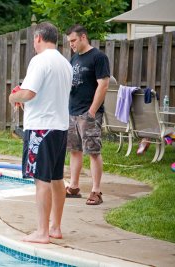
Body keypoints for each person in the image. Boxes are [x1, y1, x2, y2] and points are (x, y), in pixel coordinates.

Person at [9, 22, 73, 244]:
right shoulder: (65, 63)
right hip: (59, 128)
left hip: (40, 128)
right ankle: (55, 227)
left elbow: (28, 93)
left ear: (38, 38)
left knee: (41, 180)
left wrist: (13, 96)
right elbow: (47, 95)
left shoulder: (39, 61)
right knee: (57, 179)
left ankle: (42, 232)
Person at [65, 25, 110, 205]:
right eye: (69, 42)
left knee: (93, 151)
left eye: (73, 41)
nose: (71, 45)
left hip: (89, 113)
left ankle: (96, 191)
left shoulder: (99, 57)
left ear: (83, 37)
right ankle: (74, 187)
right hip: (72, 111)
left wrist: (92, 111)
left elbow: (104, 84)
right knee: (75, 150)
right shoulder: (74, 59)